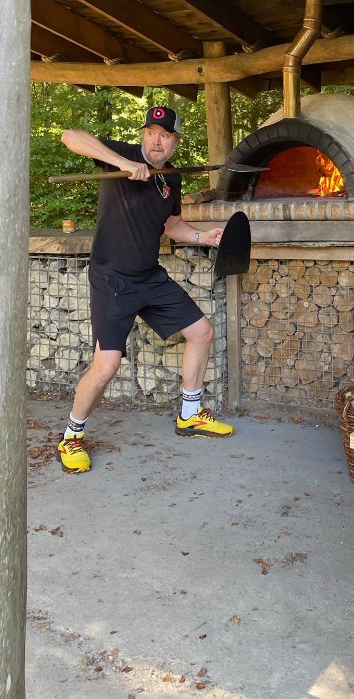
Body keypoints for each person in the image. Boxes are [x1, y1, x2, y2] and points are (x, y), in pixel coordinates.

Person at [57, 105, 234, 474]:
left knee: (202, 331)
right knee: (106, 366)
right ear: (143, 135)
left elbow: (172, 225)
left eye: (165, 135)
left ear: (175, 143)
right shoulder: (119, 157)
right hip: (112, 278)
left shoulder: (170, 178)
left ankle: (190, 414)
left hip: (148, 276)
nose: (157, 140)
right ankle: (71, 436)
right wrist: (120, 162)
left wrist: (205, 237)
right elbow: (70, 136)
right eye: (151, 132)